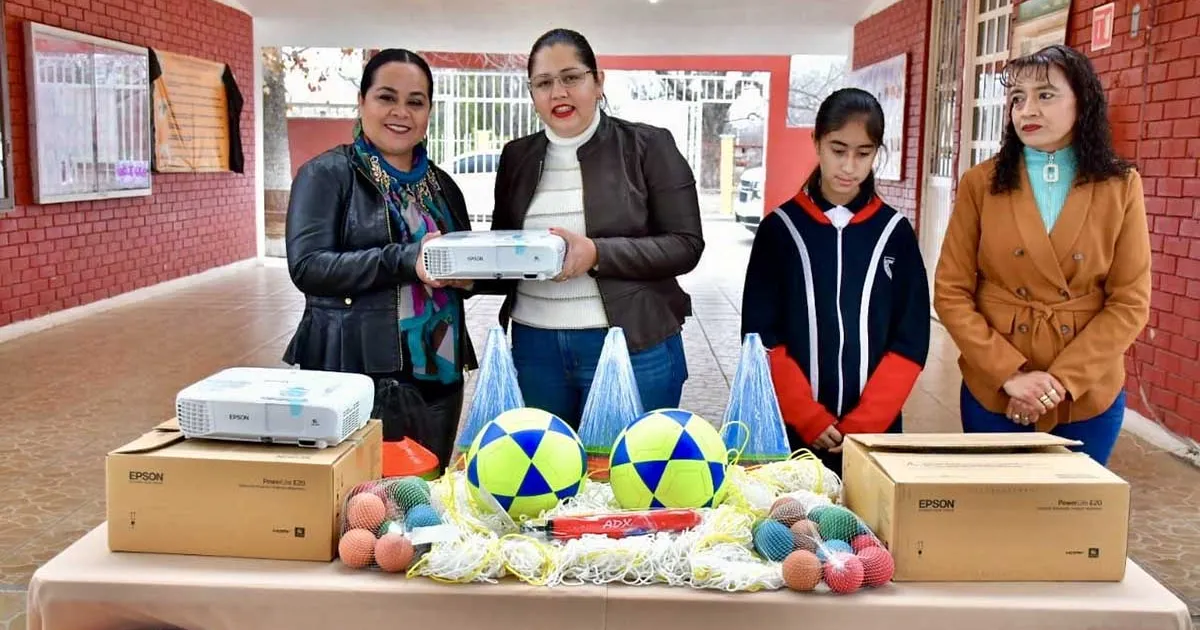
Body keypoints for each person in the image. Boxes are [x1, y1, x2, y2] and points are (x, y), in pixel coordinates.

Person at [933, 44, 1150, 466]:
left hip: (1088, 391)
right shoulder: (981, 182)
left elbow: (1130, 301)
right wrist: (1011, 375)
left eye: (1045, 95)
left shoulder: (1121, 185)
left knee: (1071, 521)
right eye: (1017, 97)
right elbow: (950, 291)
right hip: (994, 388)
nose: (1026, 109)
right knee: (996, 516)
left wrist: (1059, 383)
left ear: (1082, 102)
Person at [482, 28, 705, 429]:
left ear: (598, 81)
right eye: (544, 83)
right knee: (545, 478)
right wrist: (467, 274)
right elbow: (509, 251)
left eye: (572, 77)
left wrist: (597, 254)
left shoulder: (647, 146)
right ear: (531, 93)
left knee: (630, 477)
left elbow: (686, 245)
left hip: (631, 344)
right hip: (535, 348)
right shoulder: (516, 157)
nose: (558, 93)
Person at [282, 48, 477, 472]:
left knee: (425, 498)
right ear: (362, 102)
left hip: (440, 376)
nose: (401, 112)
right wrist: (408, 259)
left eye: (416, 101)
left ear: (428, 110)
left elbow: (461, 264)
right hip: (358, 374)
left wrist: (470, 275)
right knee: (364, 509)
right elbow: (308, 266)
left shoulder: (443, 186)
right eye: (387, 97)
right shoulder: (327, 175)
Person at [741, 88, 930, 474]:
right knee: (796, 527)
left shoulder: (894, 232)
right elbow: (760, 336)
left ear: (877, 152)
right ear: (817, 142)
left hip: (876, 438)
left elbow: (911, 339)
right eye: (837, 149)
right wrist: (808, 416)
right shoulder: (781, 230)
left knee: (871, 531)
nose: (849, 166)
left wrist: (865, 425)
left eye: (863, 153)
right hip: (794, 431)